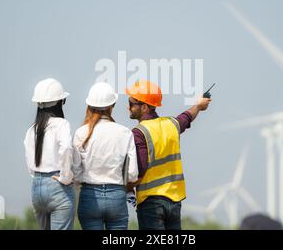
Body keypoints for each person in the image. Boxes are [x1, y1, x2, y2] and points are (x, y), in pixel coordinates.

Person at [126, 80, 211, 230]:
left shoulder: (139, 133)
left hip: (151, 202)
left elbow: (140, 170)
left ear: (144, 107)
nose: (128, 106)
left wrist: (127, 188)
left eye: (131, 102)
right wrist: (199, 105)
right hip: (174, 201)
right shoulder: (171, 124)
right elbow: (187, 117)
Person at [74, 82, 138, 230]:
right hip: (117, 196)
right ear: (112, 105)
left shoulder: (81, 133)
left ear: (89, 105)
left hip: (89, 196)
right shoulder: (125, 132)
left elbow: (76, 174)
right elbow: (133, 174)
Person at [23, 78, 80, 230]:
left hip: (37, 186)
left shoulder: (31, 130)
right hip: (58, 185)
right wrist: (66, 177)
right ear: (59, 102)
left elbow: (29, 163)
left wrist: (40, 179)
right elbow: (67, 148)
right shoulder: (62, 124)